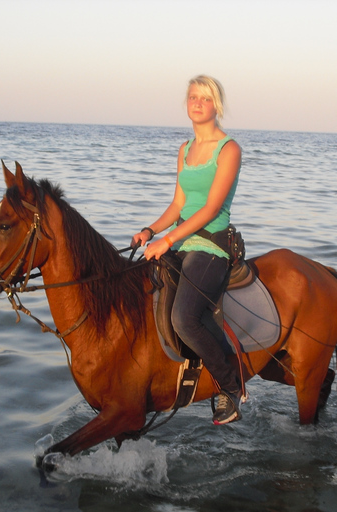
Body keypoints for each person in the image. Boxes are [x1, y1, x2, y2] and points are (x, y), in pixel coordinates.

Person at [132, 75, 243, 425]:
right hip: (179, 241)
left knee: (183, 318)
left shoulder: (229, 149)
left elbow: (210, 209)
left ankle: (230, 389)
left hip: (210, 246)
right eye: (192, 97)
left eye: (204, 98)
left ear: (216, 105)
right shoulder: (184, 149)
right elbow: (178, 203)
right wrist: (151, 230)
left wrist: (166, 241)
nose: (197, 103)